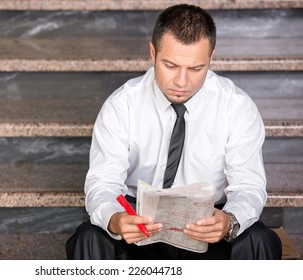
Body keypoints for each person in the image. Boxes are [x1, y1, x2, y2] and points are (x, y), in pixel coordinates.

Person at [66, 4, 282, 260]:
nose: (181, 82)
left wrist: (229, 221)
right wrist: (116, 219)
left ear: (211, 57)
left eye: (195, 69)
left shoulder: (236, 106)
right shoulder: (122, 104)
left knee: (259, 240)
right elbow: (103, 183)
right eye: (170, 65)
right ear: (152, 52)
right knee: (89, 237)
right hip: (140, 224)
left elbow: (248, 186)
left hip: (206, 225)